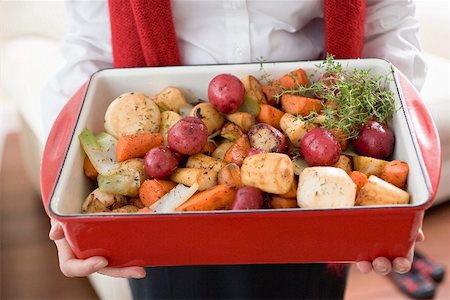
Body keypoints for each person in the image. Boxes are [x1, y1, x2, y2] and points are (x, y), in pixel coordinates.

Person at [43, 0, 427, 298]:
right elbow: (91, 44)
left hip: (317, 199)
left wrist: (402, 159)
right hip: (161, 234)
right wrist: (62, 192)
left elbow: (386, 19)